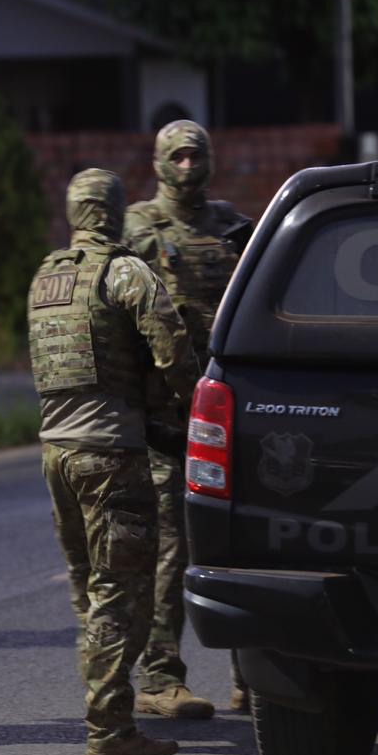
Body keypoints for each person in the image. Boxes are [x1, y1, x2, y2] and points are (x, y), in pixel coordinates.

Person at [31, 168, 198, 755]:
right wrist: (189, 400)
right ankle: (109, 729)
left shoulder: (48, 275)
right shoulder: (125, 271)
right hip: (110, 452)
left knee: (88, 590)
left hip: (56, 452)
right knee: (119, 592)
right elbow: (172, 346)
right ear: (117, 210)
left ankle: (107, 703)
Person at [124, 120, 254, 715]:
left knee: (238, 543)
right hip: (164, 415)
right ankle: (159, 677)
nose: (186, 165)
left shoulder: (233, 226)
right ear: (156, 163)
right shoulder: (136, 227)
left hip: (226, 409)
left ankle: (253, 673)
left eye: (196, 154)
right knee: (170, 547)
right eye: (176, 155)